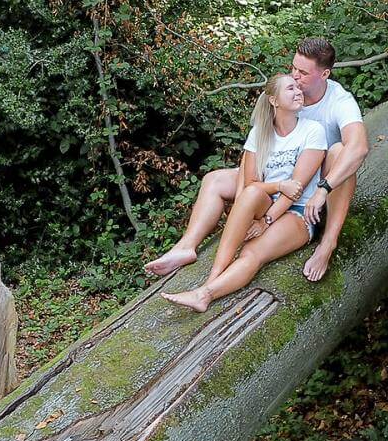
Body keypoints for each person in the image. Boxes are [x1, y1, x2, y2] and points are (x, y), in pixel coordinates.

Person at [145, 37, 369, 283]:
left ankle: (327, 243)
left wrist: (322, 190)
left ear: (324, 74)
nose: (294, 76)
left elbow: (359, 147)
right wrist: (244, 203)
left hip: (314, 185)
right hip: (275, 176)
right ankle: (186, 246)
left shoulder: (339, 101)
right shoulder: (286, 92)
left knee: (341, 152)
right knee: (215, 180)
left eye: (303, 73)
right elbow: (255, 148)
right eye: (293, 67)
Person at [162, 73, 326, 313]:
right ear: (274, 100)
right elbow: (250, 183)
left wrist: (266, 221)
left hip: (297, 212)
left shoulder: (313, 131)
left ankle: (206, 292)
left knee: (252, 251)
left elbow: (296, 189)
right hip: (266, 199)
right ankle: (213, 275)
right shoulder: (260, 134)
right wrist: (276, 189)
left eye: (297, 87)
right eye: (290, 88)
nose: (298, 92)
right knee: (249, 194)